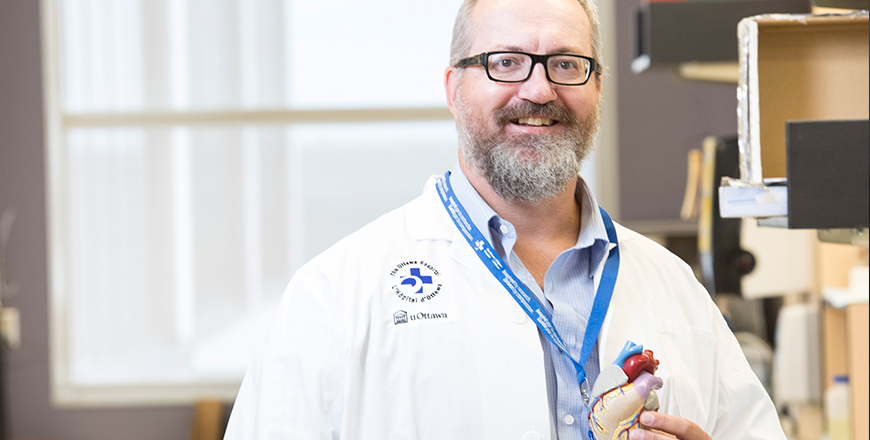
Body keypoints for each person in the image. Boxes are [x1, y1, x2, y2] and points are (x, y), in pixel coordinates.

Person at [224, 0, 786, 438]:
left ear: (595, 88)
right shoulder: (334, 296)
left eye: (566, 64)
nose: (539, 90)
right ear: (453, 88)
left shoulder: (674, 287)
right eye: (506, 62)